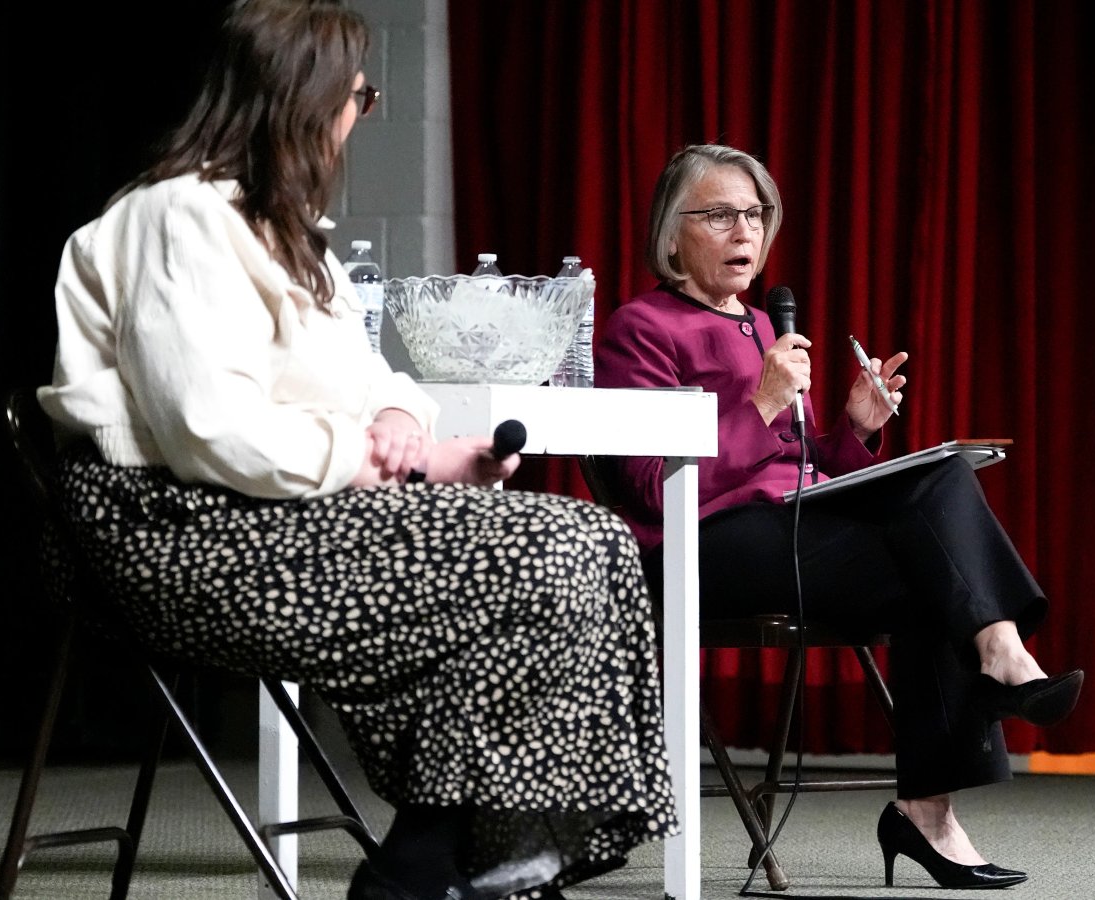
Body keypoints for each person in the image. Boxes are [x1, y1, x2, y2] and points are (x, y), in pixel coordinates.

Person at [35, 3, 675, 898]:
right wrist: (393, 464)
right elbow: (210, 428)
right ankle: (444, 860)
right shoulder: (175, 216)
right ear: (309, 99)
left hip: (283, 510)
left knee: (594, 541)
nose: (358, 117)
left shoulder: (289, 230)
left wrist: (409, 425)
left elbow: (373, 376)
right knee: (546, 554)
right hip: (178, 530)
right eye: (360, 97)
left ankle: (467, 850)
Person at [593, 143, 1083, 890]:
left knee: (941, 498)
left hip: (787, 529)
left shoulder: (763, 325)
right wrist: (758, 401)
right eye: (720, 215)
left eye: (755, 215)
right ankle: (1003, 657)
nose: (743, 233)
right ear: (672, 233)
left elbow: (799, 465)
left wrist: (850, 431)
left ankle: (930, 805)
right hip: (698, 547)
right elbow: (646, 485)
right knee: (937, 558)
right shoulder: (641, 329)